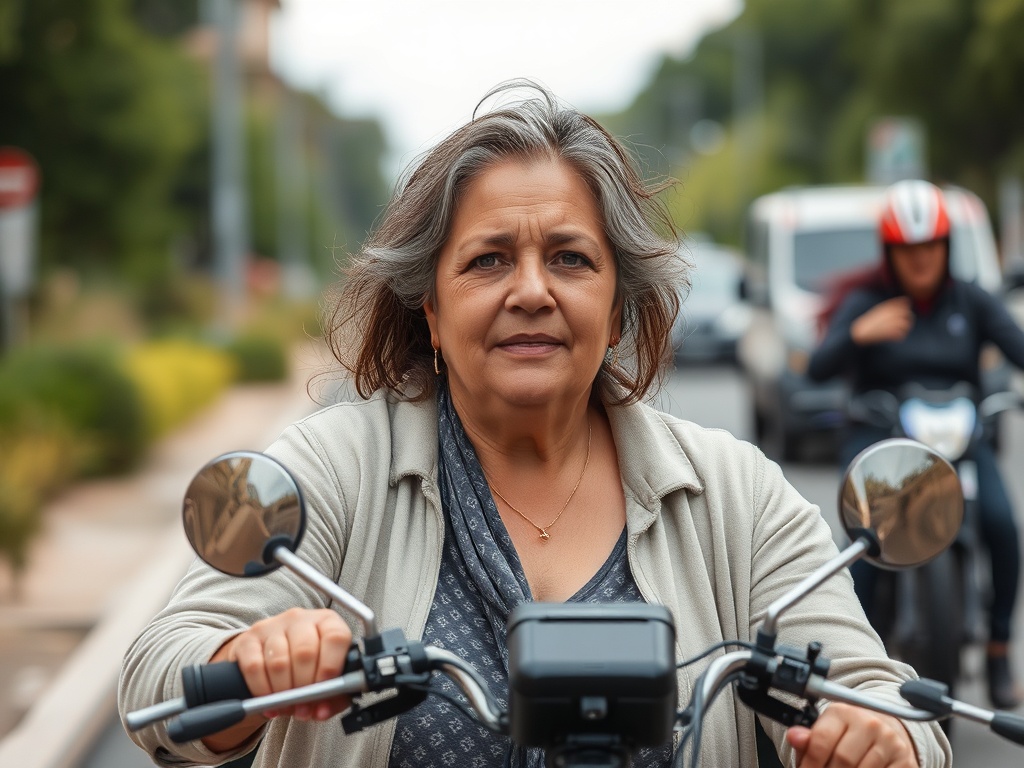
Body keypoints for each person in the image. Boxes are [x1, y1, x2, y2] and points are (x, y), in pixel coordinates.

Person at [119, 82, 950, 768]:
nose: (531, 291)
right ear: (432, 310)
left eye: (569, 257)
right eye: (487, 260)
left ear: (616, 304)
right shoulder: (333, 466)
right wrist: (255, 661)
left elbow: (888, 702)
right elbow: (158, 683)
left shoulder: (737, 493)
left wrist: (882, 740)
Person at [807, 178, 1024, 710]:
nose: (921, 259)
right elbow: (817, 366)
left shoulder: (970, 301)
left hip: (960, 445)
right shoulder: (867, 301)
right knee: (862, 548)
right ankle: (854, 666)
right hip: (886, 447)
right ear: (890, 252)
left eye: (931, 247)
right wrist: (859, 332)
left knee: (1002, 524)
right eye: (909, 249)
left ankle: (997, 651)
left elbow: (1016, 347)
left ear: (946, 248)